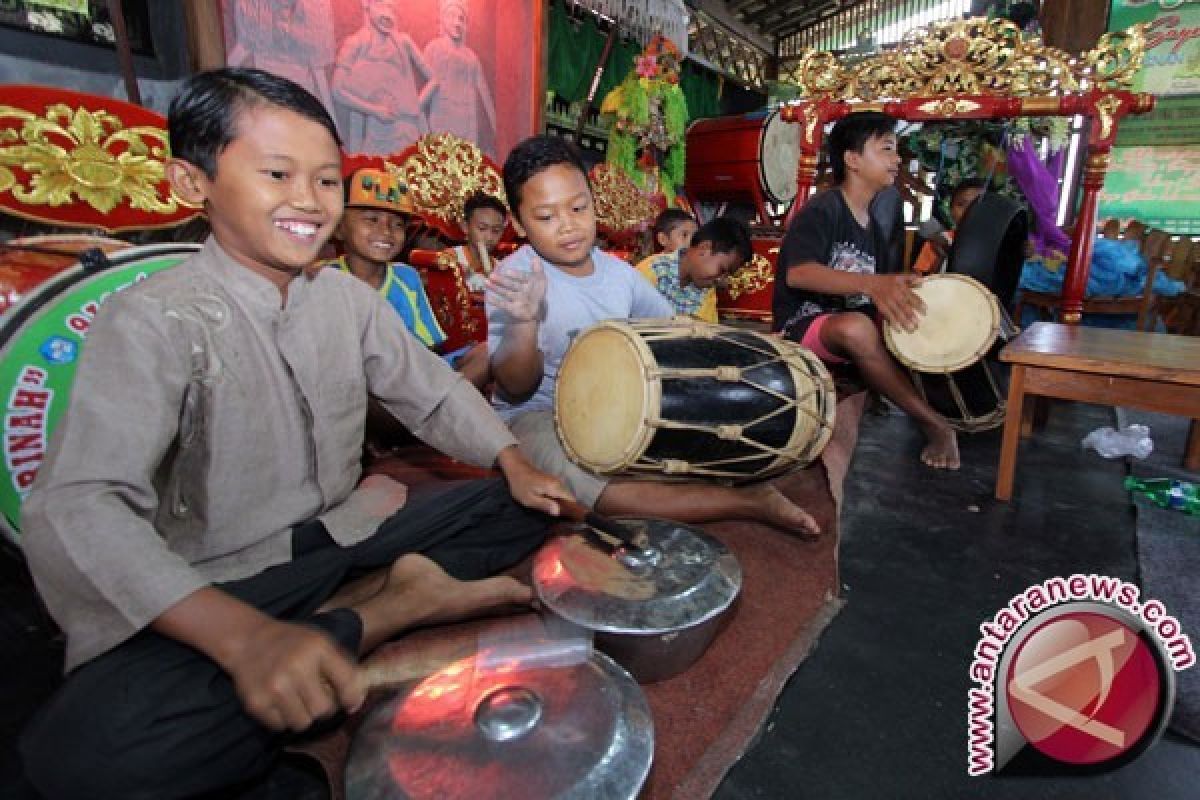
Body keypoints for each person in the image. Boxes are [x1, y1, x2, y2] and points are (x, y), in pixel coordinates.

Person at [19, 68, 571, 800]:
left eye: (325, 181)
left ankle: (365, 606)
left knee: (520, 505)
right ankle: (386, 609)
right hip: (219, 579)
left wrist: (511, 458)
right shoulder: (152, 317)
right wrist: (240, 639)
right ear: (194, 182)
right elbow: (77, 505)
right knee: (82, 758)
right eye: (278, 174)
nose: (308, 203)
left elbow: (431, 391)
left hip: (342, 535)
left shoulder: (344, 300)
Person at [487, 135, 819, 534]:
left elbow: (674, 332)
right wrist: (523, 323)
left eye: (578, 207)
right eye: (546, 217)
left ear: (594, 204)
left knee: (686, 432)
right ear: (520, 223)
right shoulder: (515, 279)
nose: (568, 225)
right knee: (597, 495)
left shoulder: (620, 276)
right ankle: (748, 502)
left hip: (615, 399)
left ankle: (728, 476)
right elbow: (515, 385)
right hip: (536, 412)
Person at [772, 111, 960, 469]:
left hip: (850, 326)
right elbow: (799, 274)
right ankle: (932, 423)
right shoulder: (824, 209)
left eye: (897, 149)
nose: (897, 159)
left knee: (913, 311)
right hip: (801, 326)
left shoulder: (873, 221)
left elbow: (875, 288)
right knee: (856, 328)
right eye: (887, 149)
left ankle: (935, 403)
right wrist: (873, 285)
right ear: (853, 159)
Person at [326, 164, 488, 389]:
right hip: (357, 383)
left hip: (408, 376)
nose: (386, 231)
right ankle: (436, 411)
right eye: (372, 219)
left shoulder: (406, 277)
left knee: (486, 353)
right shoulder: (324, 279)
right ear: (339, 228)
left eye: (397, 224)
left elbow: (426, 348)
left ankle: (434, 408)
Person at [332, 0, 436, 154]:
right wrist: (375, 110)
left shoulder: (403, 43)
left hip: (409, 131)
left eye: (393, 9)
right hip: (378, 132)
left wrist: (414, 106)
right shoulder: (355, 44)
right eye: (382, 5)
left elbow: (435, 80)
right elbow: (337, 90)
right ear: (367, 4)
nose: (389, 15)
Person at [636, 216, 752, 322]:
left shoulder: (706, 292)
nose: (721, 280)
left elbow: (707, 333)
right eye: (722, 270)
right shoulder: (652, 270)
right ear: (704, 248)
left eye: (727, 275)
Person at [423, 0, 497, 152]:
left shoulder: (471, 57)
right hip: (442, 118)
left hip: (467, 121)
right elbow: (425, 86)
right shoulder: (434, 49)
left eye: (461, 19)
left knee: (464, 164)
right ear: (442, 19)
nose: (457, 23)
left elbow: (484, 92)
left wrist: (495, 125)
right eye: (451, 16)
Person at [911, 178, 986, 275]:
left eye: (975, 205)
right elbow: (921, 283)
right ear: (951, 209)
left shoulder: (996, 246)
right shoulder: (937, 242)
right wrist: (941, 256)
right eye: (961, 204)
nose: (968, 210)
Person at [450, 190, 509, 293]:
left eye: (496, 231)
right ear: (465, 227)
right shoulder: (449, 259)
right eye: (482, 228)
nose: (489, 237)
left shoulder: (501, 269)